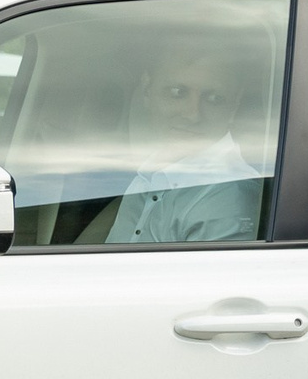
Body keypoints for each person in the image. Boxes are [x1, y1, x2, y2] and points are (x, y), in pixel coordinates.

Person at [107, 38, 268, 244]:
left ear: (234, 105)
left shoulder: (227, 196)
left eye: (214, 98)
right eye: (178, 93)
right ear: (147, 90)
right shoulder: (148, 176)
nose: (193, 115)